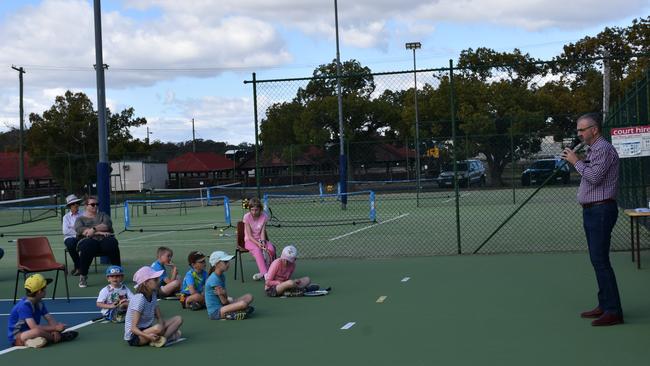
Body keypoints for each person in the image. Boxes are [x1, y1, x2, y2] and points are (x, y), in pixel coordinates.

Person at [561, 112, 623, 326]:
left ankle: (613, 311)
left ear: (594, 130)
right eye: (578, 130)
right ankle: (605, 304)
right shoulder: (593, 149)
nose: (579, 133)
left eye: (582, 129)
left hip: (601, 211)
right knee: (597, 260)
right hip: (592, 210)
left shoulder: (603, 149)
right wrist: (579, 161)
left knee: (601, 261)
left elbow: (595, 178)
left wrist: (576, 161)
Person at [7, 274, 79, 348]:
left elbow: (49, 318)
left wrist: (56, 329)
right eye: (44, 288)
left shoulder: (40, 302)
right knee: (37, 331)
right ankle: (59, 338)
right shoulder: (24, 306)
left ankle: (31, 342)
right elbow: (34, 327)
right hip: (17, 336)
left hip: (29, 332)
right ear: (39, 292)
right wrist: (55, 328)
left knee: (56, 327)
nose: (45, 290)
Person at [125, 266, 183, 347]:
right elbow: (133, 328)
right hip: (135, 336)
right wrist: (149, 336)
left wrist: (162, 329)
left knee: (178, 319)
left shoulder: (153, 294)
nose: (158, 281)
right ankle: (162, 338)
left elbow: (159, 317)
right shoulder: (139, 299)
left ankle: (162, 339)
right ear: (145, 283)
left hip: (148, 329)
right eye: (155, 279)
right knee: (160, 329)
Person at [74, 196, 121, 288]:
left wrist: (94, 229)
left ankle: (117, 274)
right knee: (88, 245)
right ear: (86, 206)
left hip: (104, 240)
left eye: (97, 204)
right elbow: (85, 233)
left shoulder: (103, 215)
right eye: (92, 204)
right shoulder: (80, 219)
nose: (95, 206)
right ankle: (83, 275)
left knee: (112, 243)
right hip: (88, 240)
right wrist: (99, 231)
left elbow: (107, 225)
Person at [205, 251, 254, 320]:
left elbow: (225, 297)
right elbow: (224, 302)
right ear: (217, 264)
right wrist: (229, 299)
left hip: (223, 306)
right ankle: (233, 313)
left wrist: (226, 295)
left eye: (228, 261)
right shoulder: (214, 279)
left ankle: (237, 311)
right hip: (216, 313)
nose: (228, 264)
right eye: (225, 262)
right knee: (243, 304)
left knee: (249, 296)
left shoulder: (221, 276)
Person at [243, 197, 276, 281]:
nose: (254, 212)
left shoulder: (264, 216)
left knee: (271, 248)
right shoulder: (246, 217)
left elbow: (262, 232)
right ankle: (266, 275)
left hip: (260, 239)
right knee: (257, 250)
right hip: (249, 241)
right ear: (249, 209)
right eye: (252, 210)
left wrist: (263, 242)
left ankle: (268, 271)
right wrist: (258, 244)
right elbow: (249, 236)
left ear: (260, 209)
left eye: (256, 210)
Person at [62, 194, 83, 276]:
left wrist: (73, 228)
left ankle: (78, 267)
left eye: (77, 203)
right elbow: (65, 231)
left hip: (82, 236)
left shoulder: (84, 214)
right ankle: (79, 267)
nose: (76, 205)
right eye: (73, 204)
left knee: (87, 244)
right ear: (70, 206)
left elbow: (86, 227)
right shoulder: (66, 217)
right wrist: (78, 229)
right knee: (70, 244)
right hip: (70, 238)